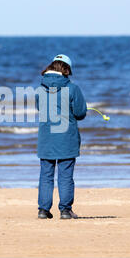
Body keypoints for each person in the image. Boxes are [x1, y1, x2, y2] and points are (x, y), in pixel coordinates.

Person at [35, 54, 87, 219]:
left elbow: (40, 108)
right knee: (65, 175)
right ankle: (65, 210)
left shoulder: (40, 89)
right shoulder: (72, 88)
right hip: (66, 138)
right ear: (66, 69)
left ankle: (43, 210)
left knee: (46, 175)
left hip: (46, 138)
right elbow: (80, 113)